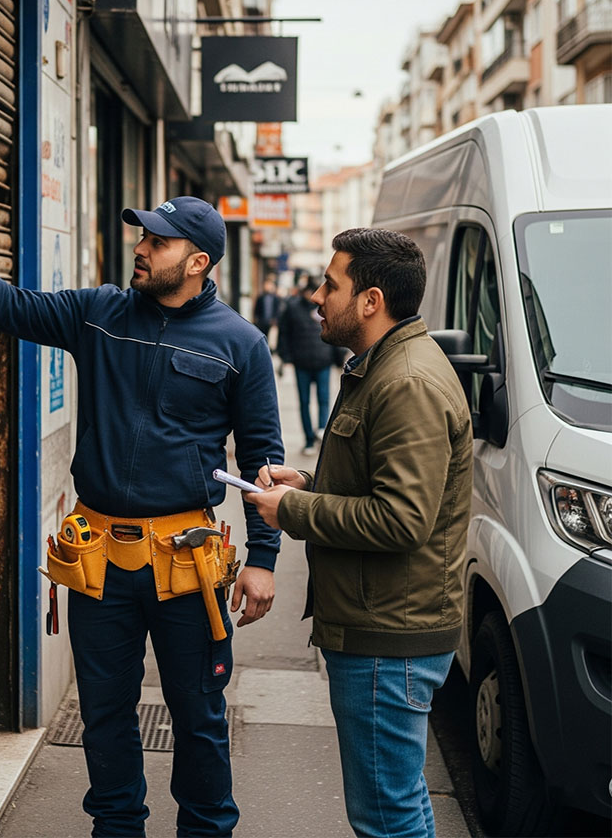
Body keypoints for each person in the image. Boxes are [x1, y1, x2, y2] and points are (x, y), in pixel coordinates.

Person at [0, 192, 283, 838]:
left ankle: (206, 829)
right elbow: (9, 307)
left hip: (187, 564)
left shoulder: (241, 344)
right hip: (100, 559)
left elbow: (263, 461)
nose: (140, 248)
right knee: (104, 716)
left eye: (157, 242)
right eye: (142, 236)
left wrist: (264, 560)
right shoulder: (100, 312)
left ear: (197, 262)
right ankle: (116, 828)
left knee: (199, 717)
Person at [247, 228, 473, 838]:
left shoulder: (406, 382)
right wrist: (309, 481)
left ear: (371, 301)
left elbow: (402, 518)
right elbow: (377, 482)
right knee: (400, 803)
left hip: (388, 637)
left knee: (386, 818)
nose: (316, 297)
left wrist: (294, 509)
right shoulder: (386, 368)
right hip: (384, 626)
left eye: (331, 285)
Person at [277, 275, 343, 455]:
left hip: (323, 361)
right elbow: (284, 333)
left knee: (324, 400)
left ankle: (321, 433)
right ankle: (308, 440)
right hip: (302, 362)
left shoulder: (326, 307)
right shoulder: (293, 308)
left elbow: (335, 331)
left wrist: (338, 358)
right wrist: (286, 356)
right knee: (304, 402)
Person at [252, 275, 282, 342]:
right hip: (262, 321)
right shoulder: (261, 297)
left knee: (270, 338)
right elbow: (256, 309)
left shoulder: (275, 298)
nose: (268, 286)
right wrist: (256, 319)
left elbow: (277, 310)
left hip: (271, 322)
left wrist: (275, 319)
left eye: (269, 285)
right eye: (267, 284)